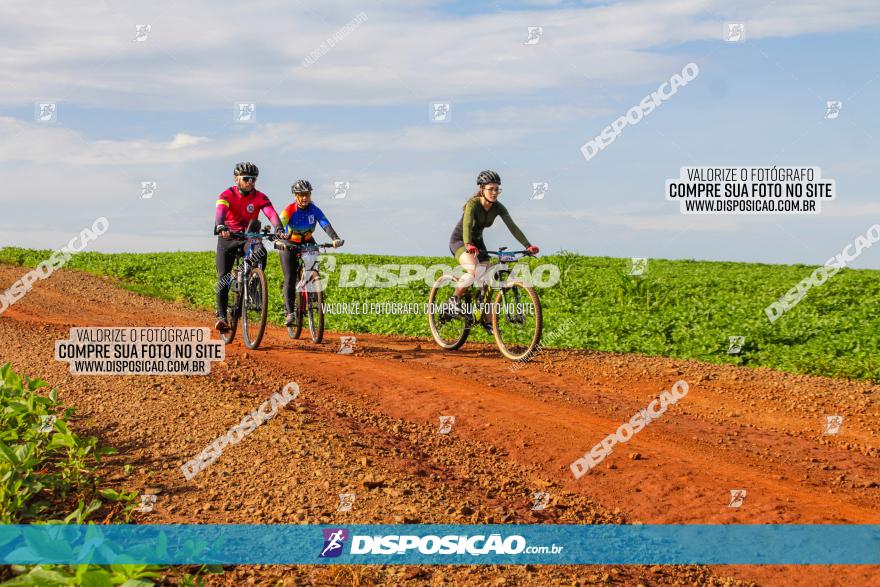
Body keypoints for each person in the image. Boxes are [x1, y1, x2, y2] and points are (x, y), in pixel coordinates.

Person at [447, 170, 539, 332]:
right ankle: (454, 300)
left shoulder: (498, 207)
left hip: (478, 244)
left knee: (488, 282)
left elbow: (513, 227)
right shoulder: (473, 204)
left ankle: (487, 320)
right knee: (475, 270)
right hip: (461, 241)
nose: (495, 193)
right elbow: (467, 225)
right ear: (482, 189)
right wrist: (468, 243)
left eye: (497, 189)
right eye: (491, 189)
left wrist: (527, 245)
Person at [213, 162, 284, 332]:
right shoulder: (226, 195)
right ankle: (222, 316)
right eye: (246, 179)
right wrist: (221, 226)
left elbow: (271, 213)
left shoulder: (260, 197)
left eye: (253, 179)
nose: (250, 182)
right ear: (236, 179)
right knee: (223, 277)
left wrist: (279, 228)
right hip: (228, 237)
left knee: (260, 251)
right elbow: (220, 212)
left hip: (248, 237)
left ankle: (253, 284)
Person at [278, 179, 344, 327]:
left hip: (308, 240)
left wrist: (335, 238)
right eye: (301, 195)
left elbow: (325, 224)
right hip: (290, 242)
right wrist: (279, 238)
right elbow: (279, 226)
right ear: (295, 196)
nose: (304, 197)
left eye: (307, 194)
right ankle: (290, 313)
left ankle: (313, 293)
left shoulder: (314, 210)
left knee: (313, 268)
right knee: (290, 277)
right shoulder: (289, 210)